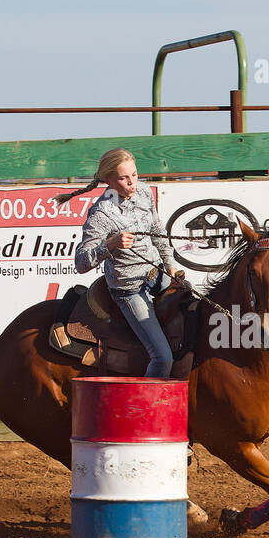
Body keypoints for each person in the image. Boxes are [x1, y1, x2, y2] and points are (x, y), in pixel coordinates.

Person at [56, 148, 185, 378]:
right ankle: (146, 411)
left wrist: (171, 264)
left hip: (158, 274)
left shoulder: (144, 192)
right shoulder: (101, 213)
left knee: (194, 308)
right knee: (161, 357)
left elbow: (157, 232)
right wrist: (110, 245)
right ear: (109, 180)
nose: (132, 182)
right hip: (129, 289)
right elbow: (81, 262)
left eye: (134, 175)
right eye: (124, 178)